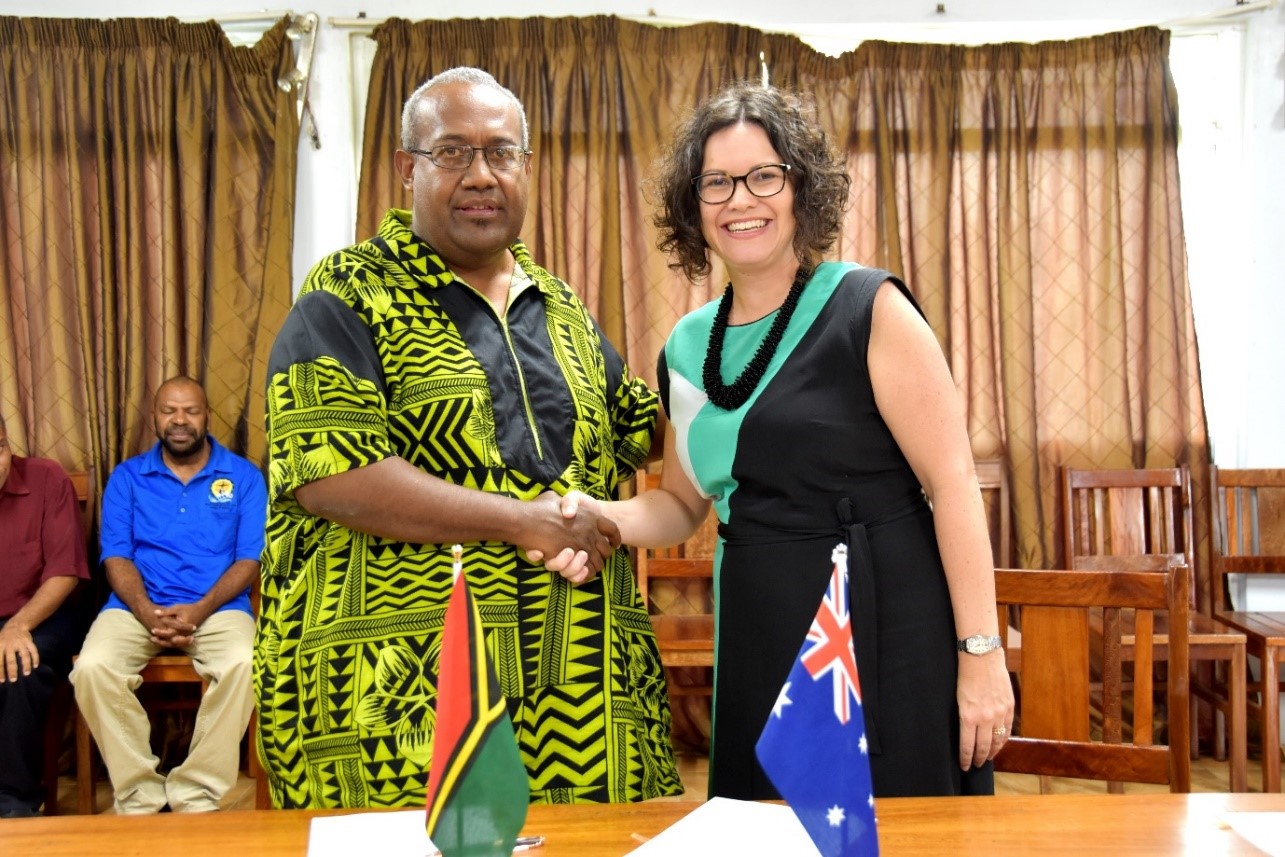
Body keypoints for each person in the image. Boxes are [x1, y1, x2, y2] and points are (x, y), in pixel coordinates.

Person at [543, 82, 1015, 798]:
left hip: (884, 625)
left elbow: (952, 485)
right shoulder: (686, 344)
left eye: (764, 175)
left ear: (802, 190)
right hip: (759, 626)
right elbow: (679, 501)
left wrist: (979, 655)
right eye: (717, 183)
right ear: (691, 205)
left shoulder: (869, 307)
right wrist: (592, 513)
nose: (741, 200)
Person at [256, 66, 680, 809]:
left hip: (575, 689)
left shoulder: (561, 307)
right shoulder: (346, 293)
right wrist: (525, 520)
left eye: (501, 152)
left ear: (526, 166)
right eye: (452, 152)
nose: (481, 175)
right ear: (404, 169)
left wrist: (743, 366)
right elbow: (331, 475)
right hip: (401, 693)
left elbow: (639, 428)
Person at [70, 376, 266, 814]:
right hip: (134, 608)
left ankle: (195, 792)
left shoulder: (244, 478)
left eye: (190, 411)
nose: (180, 420)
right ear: (154, 418)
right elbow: (116, 555)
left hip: (217, 609)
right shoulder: (127, 478)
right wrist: (145, 610)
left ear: (206, 418)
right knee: (93, 669)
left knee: (247, 663)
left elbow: (249, 560)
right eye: (169, 411)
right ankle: (140, 793)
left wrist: (199, 609)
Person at [0, 412, 91, 817]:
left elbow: (65, 572)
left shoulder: (46, 479)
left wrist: (18, 626)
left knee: (19, 663)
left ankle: (14, 801)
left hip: (43, 614)